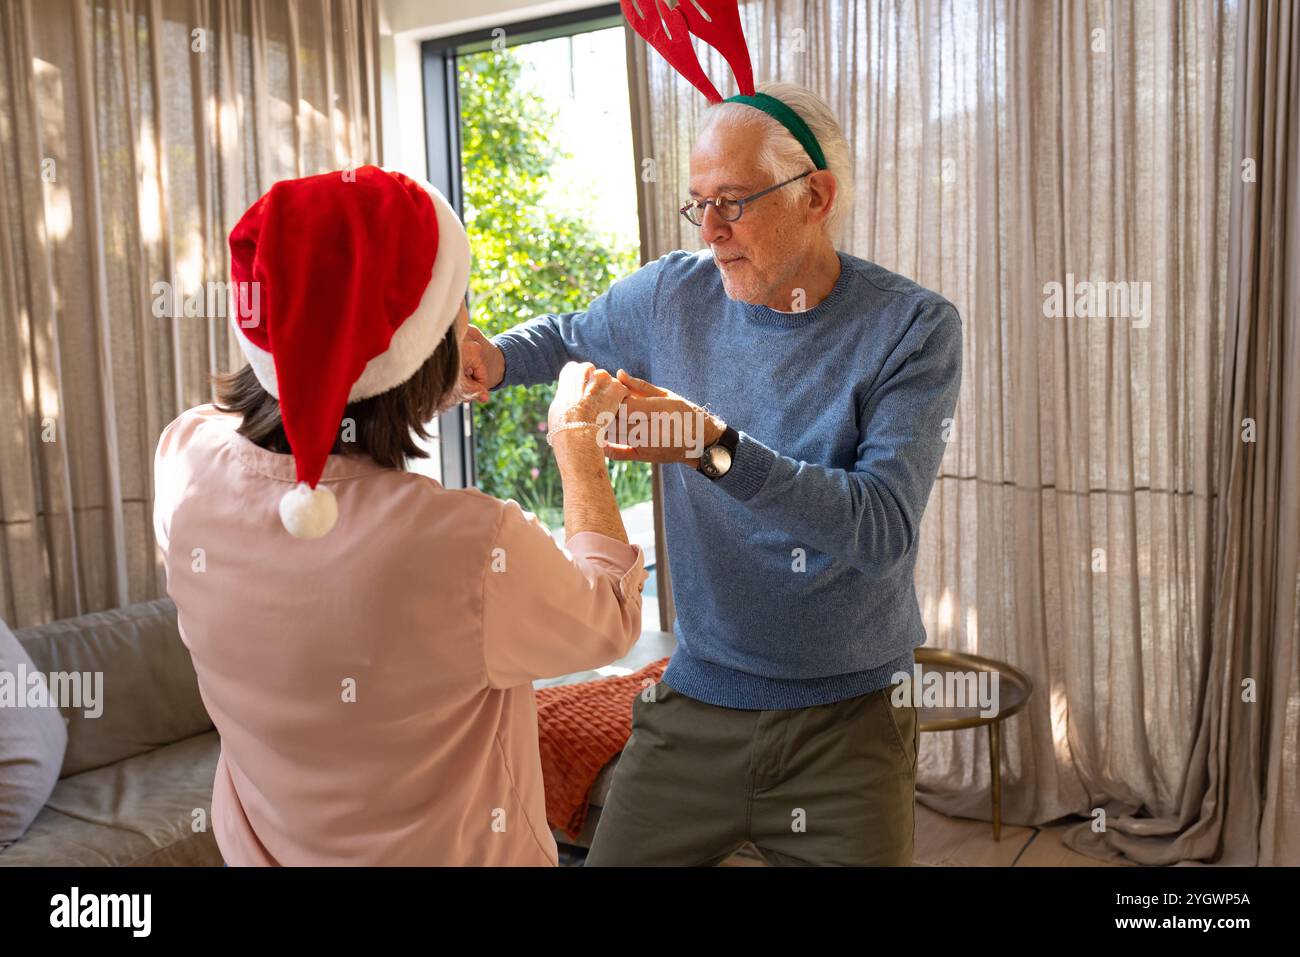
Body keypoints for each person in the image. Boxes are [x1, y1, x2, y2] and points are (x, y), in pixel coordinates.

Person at [460, 81, 962, 866]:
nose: (714, 231)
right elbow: (570, 335)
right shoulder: (672, 292)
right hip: (697, 699)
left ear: (816, 196)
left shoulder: (912, 327)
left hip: (852, 718)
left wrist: (710, 445)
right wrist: (493, 358)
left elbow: (881, 528)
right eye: (699, 204)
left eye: (732, 200)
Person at [152, 166, 646, 865]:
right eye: (459, 309)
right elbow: (608, 617)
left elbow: (326, 385)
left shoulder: (184, 459)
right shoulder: (472, 546)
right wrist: (576, 442)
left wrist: (416, 381)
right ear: (422, 343)